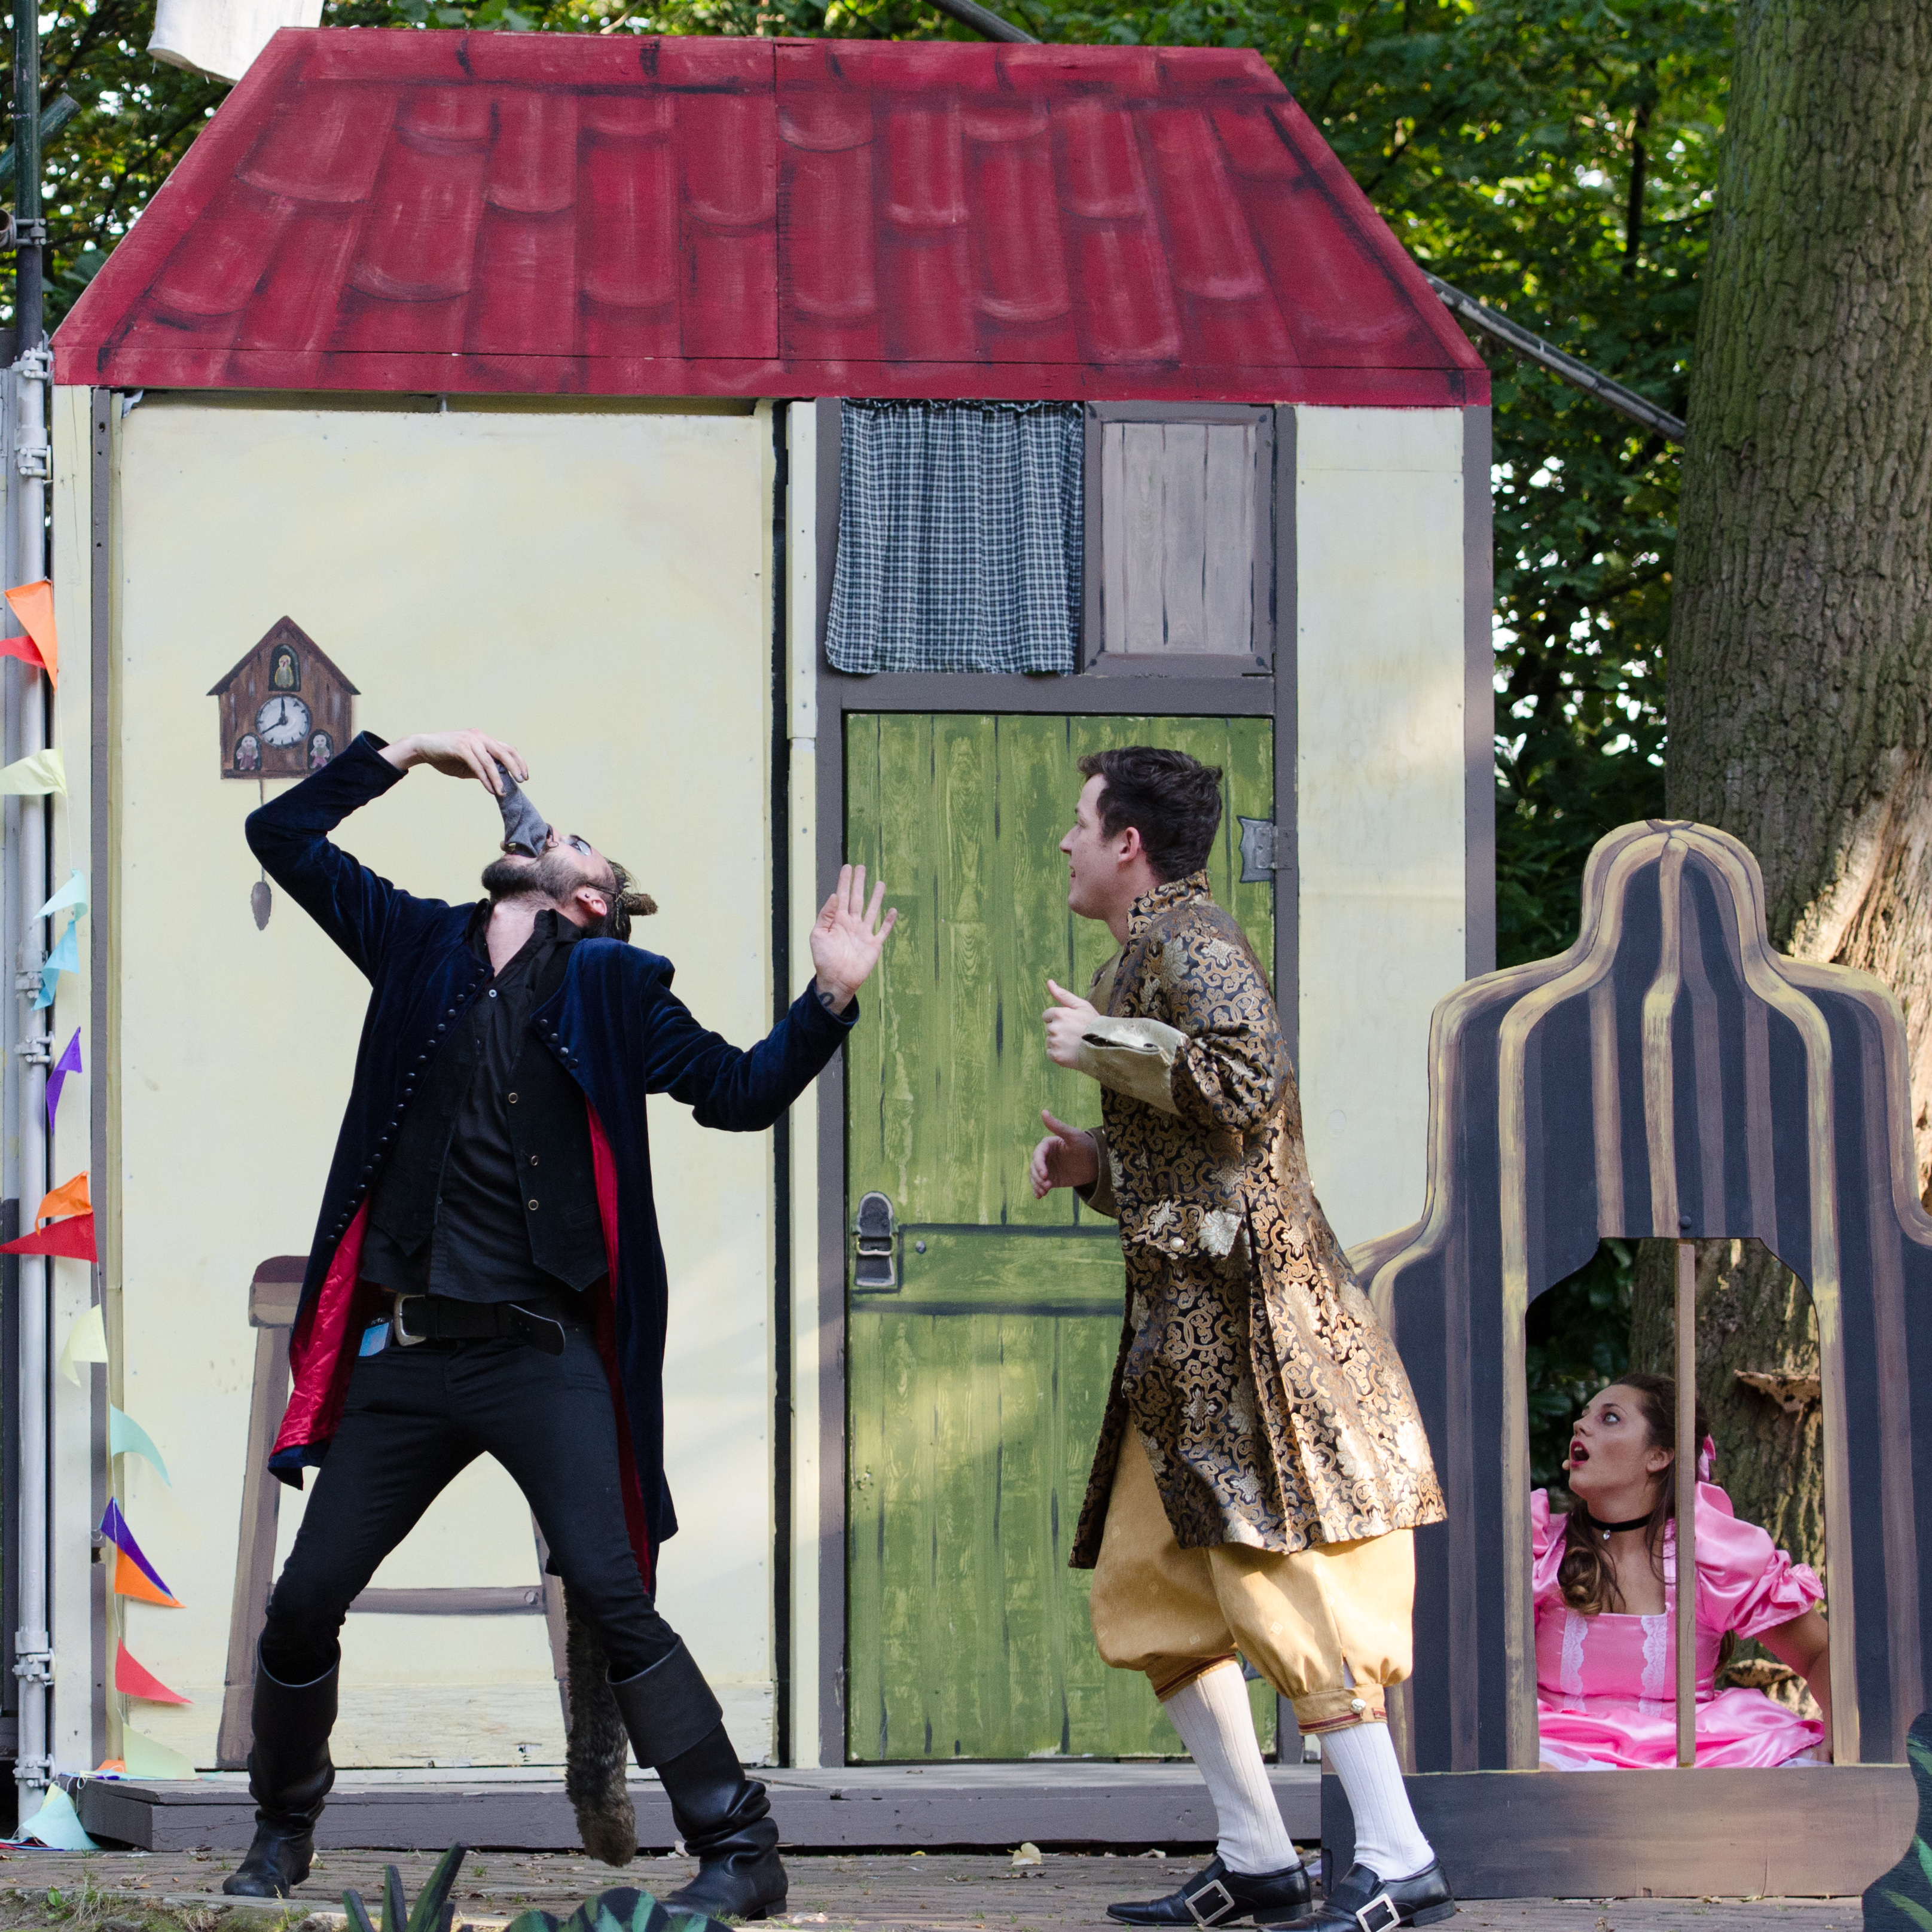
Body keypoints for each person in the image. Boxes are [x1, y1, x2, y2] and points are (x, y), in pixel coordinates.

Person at [228, 727, 895, 1914]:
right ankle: (282, 1831)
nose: (542, 824)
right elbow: (277, 832)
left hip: (543, 1358)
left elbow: (738, 1092)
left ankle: (741, 1851)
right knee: (304, 1601)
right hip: (409, 1357)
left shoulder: (613, 985)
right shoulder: (416, 941)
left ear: (588, 897)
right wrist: (403, 753)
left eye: (574, 839)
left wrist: (829, 996)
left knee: (612, 1591)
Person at [1029, 747, 1451, 1932]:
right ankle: (1258, 1857)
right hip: (1184, 1338)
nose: (1064, 841)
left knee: (1283, 1581)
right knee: (1150, 1582)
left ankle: (1401, 1856)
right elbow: (1207, 1161)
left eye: (1079, 822)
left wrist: (1104, 1045)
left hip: (1254, 1333)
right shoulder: (1145, 951)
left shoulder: (1194, 941)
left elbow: (1247, 1080)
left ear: (1127, 843)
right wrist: (1093, 1165)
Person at [1536, 1374, 1830, 1771]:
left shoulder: (1711, 1556)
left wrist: (1841, 1731)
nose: (1579, 1424)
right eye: (1584, 1414)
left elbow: (1820, 1653)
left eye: (1609, 1418)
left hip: (1695, 1760)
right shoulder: (1540, 1549)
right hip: (1556, 1754)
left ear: (1658, 1456)